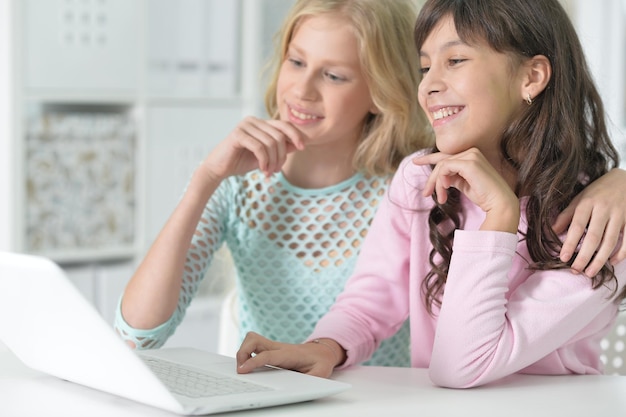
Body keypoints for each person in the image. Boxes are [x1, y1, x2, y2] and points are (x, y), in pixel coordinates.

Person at [235, 0, 626, 388]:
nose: (429, 85)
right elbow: (372, 296)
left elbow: (462, 366)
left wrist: (500, 217)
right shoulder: (420, 178)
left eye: (455, 61)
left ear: (532, 77)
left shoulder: (600, 219)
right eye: (425, 67)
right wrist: (326, 346)